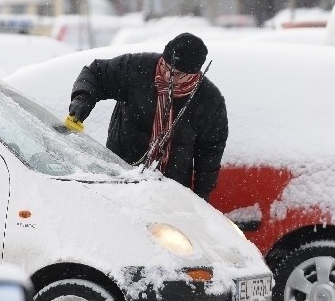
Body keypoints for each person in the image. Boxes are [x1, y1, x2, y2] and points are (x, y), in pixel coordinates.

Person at [68, 32, 228, 201]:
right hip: (119, 176)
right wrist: (83, 98)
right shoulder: (137, 68)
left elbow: (210, 152)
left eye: (177, 74)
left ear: (194, 74)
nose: (167, 76)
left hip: (171, 187)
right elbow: (96, 73)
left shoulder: (209, 100)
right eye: (166, 67)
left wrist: (202, 193)